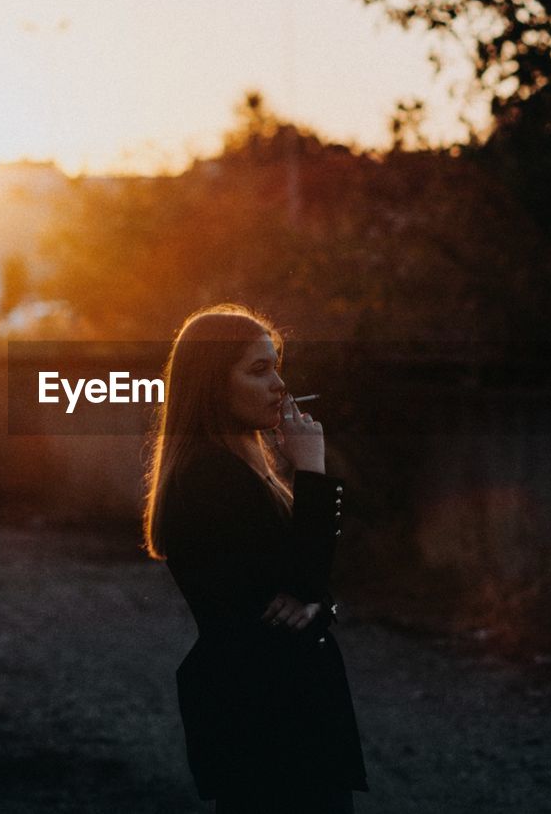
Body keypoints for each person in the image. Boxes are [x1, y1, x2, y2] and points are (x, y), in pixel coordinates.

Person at [143, 303, 367, 813]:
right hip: (268, 725)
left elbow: (304, 587)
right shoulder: (209, 477)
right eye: (259, 370)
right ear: (211, 384)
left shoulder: (244, 470)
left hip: (279, 719)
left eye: (277, 367)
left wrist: (318, 605)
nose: (280, 386)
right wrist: (312, 466)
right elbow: (302, 578)